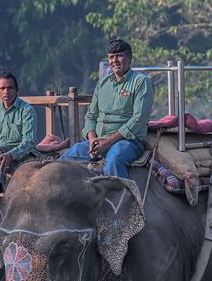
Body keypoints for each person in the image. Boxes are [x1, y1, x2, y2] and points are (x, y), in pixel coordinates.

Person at [59, 38, 154, 178]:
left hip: (127, 142)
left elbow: (139, 119)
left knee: (114, 162)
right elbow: (91, 116)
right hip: (98, 141)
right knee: (65, 160)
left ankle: (123, 198)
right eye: (111, 57)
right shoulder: (103, 84)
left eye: (119, 56)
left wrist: (108, 142)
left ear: (129, 58)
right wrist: (92, 140)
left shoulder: (141, 81)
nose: (115, 60)